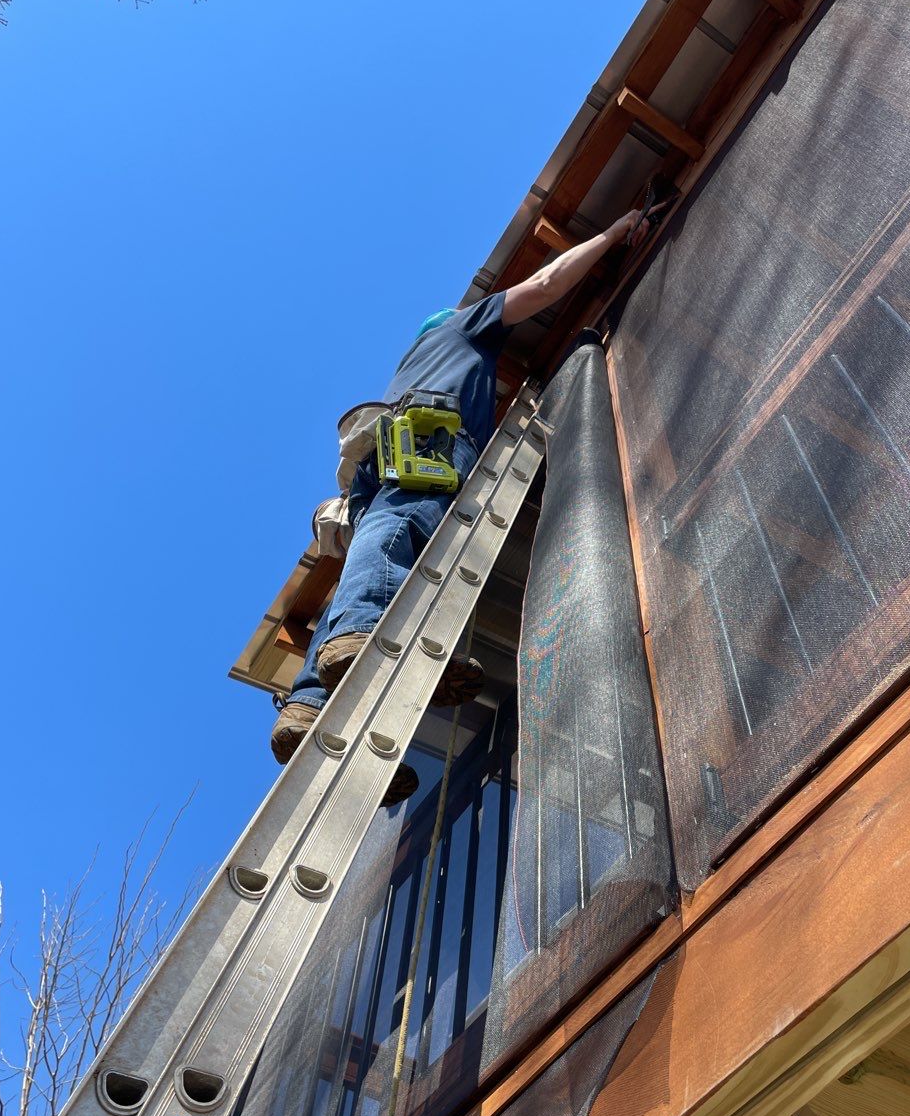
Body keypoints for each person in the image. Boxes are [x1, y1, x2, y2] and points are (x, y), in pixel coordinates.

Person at [270, 207, 648, 803]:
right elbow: (546, 286)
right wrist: (614, 231)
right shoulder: (462, 328)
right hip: (426, 453)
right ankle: (352, 646)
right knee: (399, 542)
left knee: (393, 568)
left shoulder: (408, 367)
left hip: (382, 472)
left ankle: (310, 705)